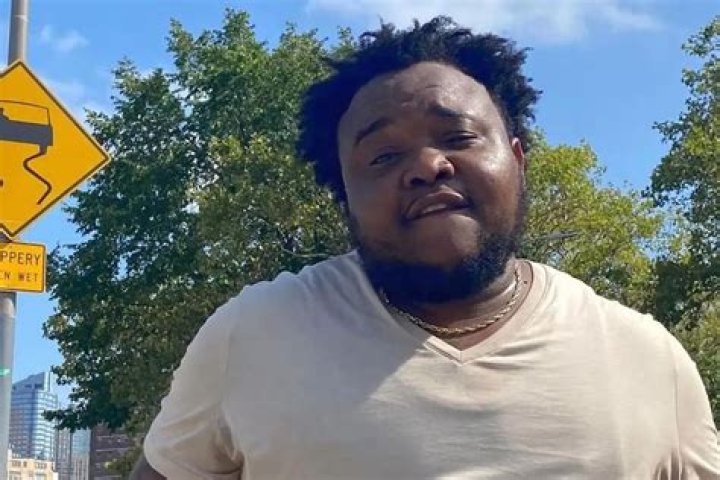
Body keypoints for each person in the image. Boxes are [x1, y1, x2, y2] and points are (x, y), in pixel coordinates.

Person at [131, 17, 719, 479]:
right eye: (384, 156)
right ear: (344, 198)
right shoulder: (253, 335)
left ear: (517, 159)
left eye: (458, 136)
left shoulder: (646, 359)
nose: (427, 166)